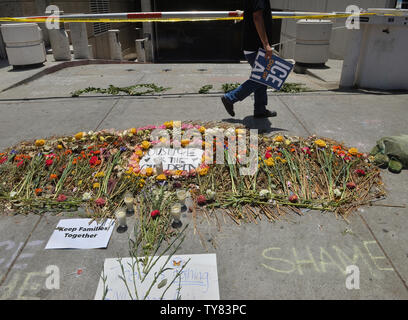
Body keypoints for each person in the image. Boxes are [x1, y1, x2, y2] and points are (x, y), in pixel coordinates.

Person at [221, 0, 277, 118]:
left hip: (253, 45)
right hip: (256, 46)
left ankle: (260, 109)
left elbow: (253, 12)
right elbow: (257, 17)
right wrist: (266, 44)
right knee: (261, 77)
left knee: (262, 78)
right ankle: (230, 98)